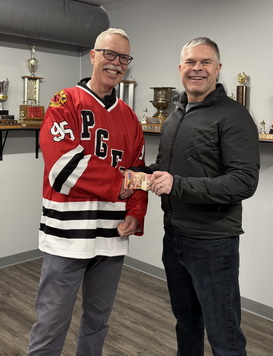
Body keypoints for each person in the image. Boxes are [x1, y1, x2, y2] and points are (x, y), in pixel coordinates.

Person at [27, 28, 148, 356]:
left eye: (124, 57)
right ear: (93, 56)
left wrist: (135, 214)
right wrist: (120, 183)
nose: (116, 63)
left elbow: (138, 173)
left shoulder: (131, 119)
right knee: (51, 322)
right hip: (67, 236)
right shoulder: (64, 101)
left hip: (111, 237)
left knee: (98, 321)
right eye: (109, 54)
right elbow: (63, 166)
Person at [146, 37, 260, 355]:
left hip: (213, 245)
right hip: (175, 239)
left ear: (218, 68)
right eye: (191, 62)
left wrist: (177, 184)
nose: (197, 68)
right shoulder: (174, 115)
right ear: (180, 68)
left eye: (205, 62)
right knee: (186, 325)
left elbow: (243, 182)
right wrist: (137, 172)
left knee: (223, 335)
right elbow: (166, 169)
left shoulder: (234, 116)